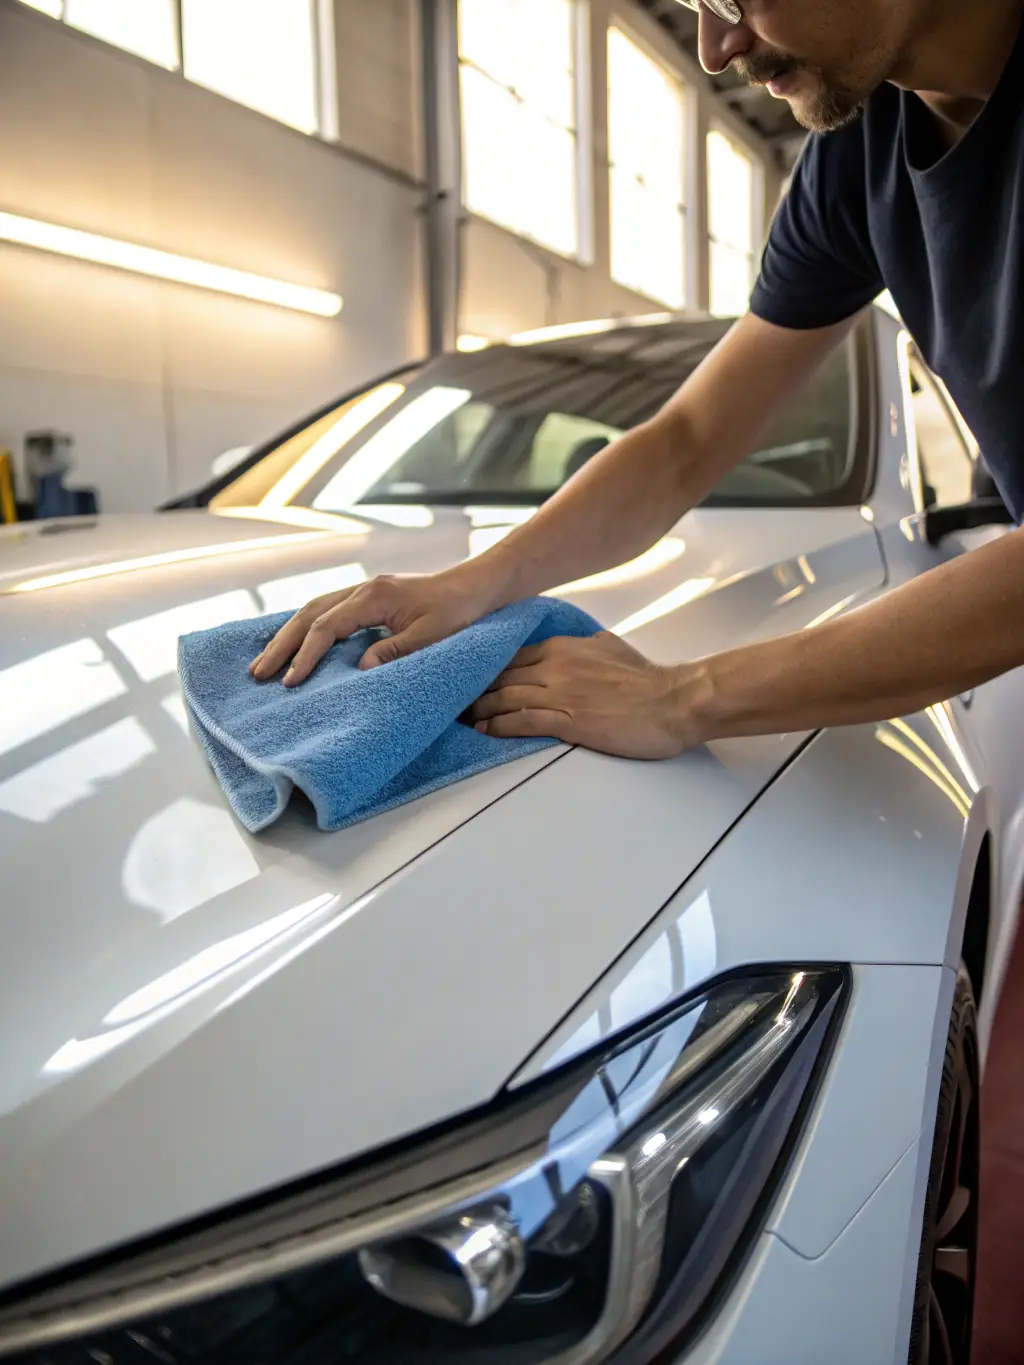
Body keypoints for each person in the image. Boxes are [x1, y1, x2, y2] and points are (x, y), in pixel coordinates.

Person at [251, 0, 1024, 760]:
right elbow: (688, 438)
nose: (715, 48)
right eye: (693, 2)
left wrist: (685, 695)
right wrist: (475, 582)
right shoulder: (858, 156)